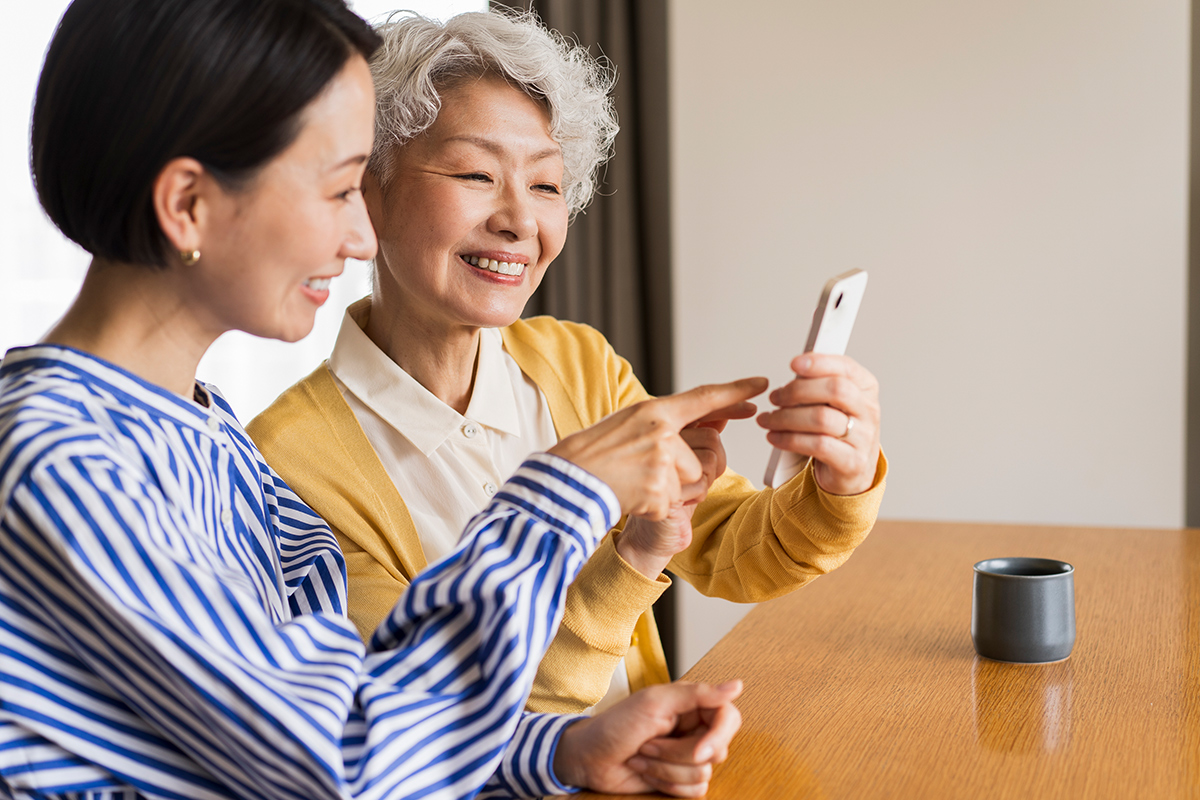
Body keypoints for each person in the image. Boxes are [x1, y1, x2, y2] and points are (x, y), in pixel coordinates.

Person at [0, 1, 752, 797]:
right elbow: (348, 764)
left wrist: (561, 752)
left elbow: (353, 706)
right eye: (338, 191)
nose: (363, 237)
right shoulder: (59, 462)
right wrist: (569, 491)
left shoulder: (203, 432)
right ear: (188, 203)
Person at [249, 9, 888, 715]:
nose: (520, 220)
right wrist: (632, 558)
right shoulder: (287, 465)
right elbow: (431, 720)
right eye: (475, 173)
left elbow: (731, 546)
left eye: (547, 185)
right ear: (367, 191)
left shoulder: (575, 361)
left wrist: (838, 483)